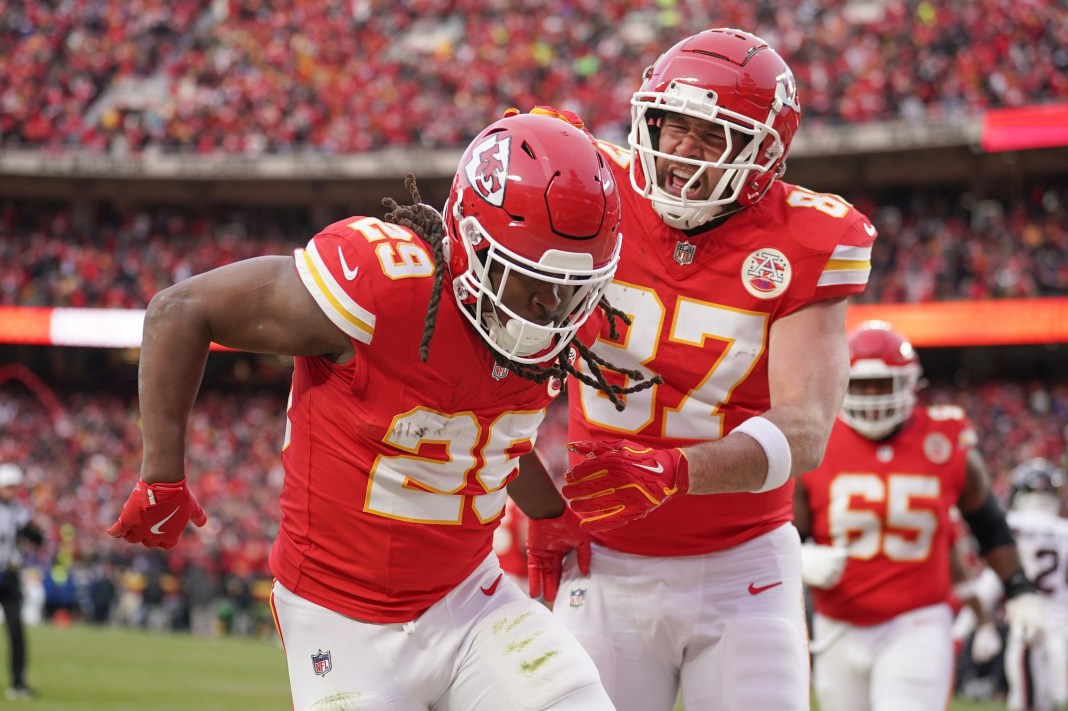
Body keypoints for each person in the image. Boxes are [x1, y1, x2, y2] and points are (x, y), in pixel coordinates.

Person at [106, 112, 654, 711]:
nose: (551, 304)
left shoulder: (561, 318)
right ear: (471, 243)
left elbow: (482, 434)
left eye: (571, 285)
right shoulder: (384, 285)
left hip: (468, 598)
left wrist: (549, 514)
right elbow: (180, 309)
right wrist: (161, 474)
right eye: (530, 277)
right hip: (340, 616)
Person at [522, 28, 877, 711]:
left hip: (742, 563)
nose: (681, 150)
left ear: (765, 153)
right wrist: (540, 505)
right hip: (605, 556)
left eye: (710, 136)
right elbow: (497, 364)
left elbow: (804, 429)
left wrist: (676, 471)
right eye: (669, 125)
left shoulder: (806, 238)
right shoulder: (591, 188)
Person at [792, 320, 1046, 711]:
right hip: (836, 623)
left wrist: (1017, 589)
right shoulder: (816, 441)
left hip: (918, 620)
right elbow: (784, 530)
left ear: (910, 384)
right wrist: (798, 557)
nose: (874, 396)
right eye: (862, 385)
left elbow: (988, 524)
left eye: (884, 384)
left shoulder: (942, 438)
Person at [1003, 457, 1068, 711]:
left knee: (1027, 703)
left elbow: (992, 579)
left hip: (1029, 621)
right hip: (1063, 622)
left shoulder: (1012, 524)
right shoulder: (1064, 529)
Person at [0, 463, 44, 700]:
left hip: (9, 576)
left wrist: (34, 531)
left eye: (14, 487)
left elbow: (36, 538)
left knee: (16, 631)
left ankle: (18, 682)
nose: (12, 491)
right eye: (8, 487)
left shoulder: (20, 511)